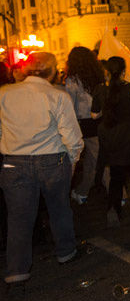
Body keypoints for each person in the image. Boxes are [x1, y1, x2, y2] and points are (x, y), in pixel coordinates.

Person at [0, 52, 83, 284]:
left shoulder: (4, 94)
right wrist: (73, 160)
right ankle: (66, 252)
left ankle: (17, 269)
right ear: (52, 70)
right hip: (51, 159)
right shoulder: (57, 95)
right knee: (59, 209)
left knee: (18, 217)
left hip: (14, 160)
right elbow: (71, 135)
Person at [91, 57, 130, 225]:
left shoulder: (100, 90)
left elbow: (94, 115)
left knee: (116, 176)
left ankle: (114, 208)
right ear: (124, 71)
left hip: (111, 136)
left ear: (107, 72)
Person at [65, 46, 105, 205]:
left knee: (100, 158)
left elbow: (70, 105)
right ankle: (82, 191)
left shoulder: (72, 80)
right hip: (100, 119)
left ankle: (119, 194)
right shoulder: (98, 75)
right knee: (92, 159)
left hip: (84, 123)